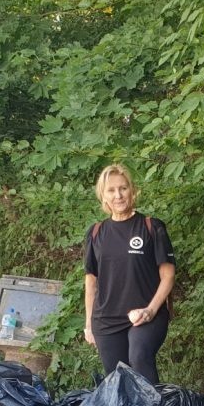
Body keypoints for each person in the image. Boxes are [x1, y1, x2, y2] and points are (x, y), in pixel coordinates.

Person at [82, 164, 176, 384]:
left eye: (123, 188)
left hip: (147, 314)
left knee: (139, 355)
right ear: (103, 196)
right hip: (106, 319)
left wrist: (151, 310)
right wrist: (88, 324)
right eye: (111, 190)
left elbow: (168, 276)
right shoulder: (96, 232)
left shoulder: (151, 227)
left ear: (133, 190)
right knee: (118, 381)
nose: (118, 195)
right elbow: (91, 282)